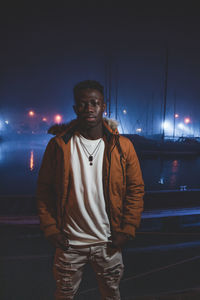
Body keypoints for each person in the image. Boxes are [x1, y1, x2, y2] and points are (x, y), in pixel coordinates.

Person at [37, 80, 144, 300]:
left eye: (95, 103)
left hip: (108, 242)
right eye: (83, 104)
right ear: (76, 108)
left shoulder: (122, 146)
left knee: (111, 295)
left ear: (103, 106)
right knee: (64, 295)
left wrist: (127, 229)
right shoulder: (59, 146)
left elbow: (135, 190)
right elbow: (44, 191)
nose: (89, 108)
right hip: (69, 243)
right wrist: (51, 229)